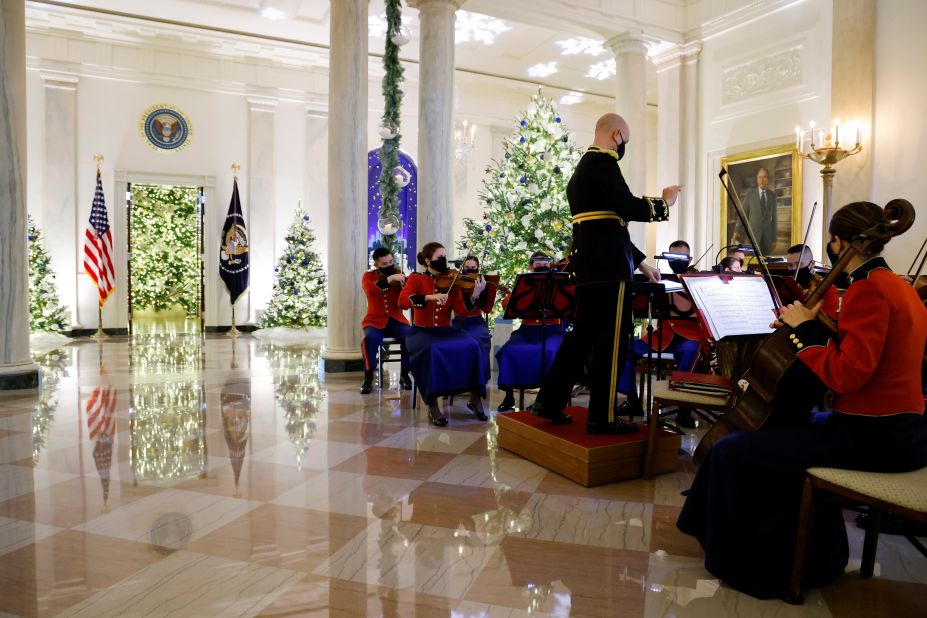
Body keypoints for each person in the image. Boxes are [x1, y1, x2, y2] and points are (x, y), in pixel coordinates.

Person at [677, 200, 927, 600]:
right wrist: (818, 328)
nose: (830, 247)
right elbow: (872, 359)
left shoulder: (868, 291)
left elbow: (848, 373)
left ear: (841, 242)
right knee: (785, 435)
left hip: (872, 436)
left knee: (734, 450)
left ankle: (756, 565)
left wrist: (803, 333)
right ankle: (812, 553)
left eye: (831, 240)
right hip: (902, 431)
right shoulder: (899, 286)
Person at [531, 112, 681, 434]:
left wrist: (640, 262)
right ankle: (603, 417)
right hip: (608, 271)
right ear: (616, 135)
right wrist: (664, 203)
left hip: (592, 266)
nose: (624, 145)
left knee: (581, 336)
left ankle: (549, 400)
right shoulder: (603, 164)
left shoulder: (584, 169)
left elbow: (608, 225)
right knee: (611, 342)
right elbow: (627, 207)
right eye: (625, 139)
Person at [399, 242, 488, 427]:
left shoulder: (452, 281)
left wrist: (475, 296)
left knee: (472, 344)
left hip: (446, 331)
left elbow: (462, 312)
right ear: (427, 260)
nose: (444, 261)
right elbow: (402, 302)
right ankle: (432, 403)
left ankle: (475, 397)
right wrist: (428, 297)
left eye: (445, 257)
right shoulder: (416, 278)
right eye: (440, 258)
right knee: (432, 350)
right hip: (421, 332)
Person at [496, 252, 566, 412]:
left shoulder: (558, 282)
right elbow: (508, 306)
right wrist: (514, 294)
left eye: (545, 265)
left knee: (550, 351)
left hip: (552, 330)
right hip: (526, 331)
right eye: (538, 265)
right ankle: (508, 397)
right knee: (507, 351)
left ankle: (544, 399)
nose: (542, 267)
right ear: (530, 267)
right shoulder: (523, 282)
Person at [360, 247, 412, 394]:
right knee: (370, 339)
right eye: (384, 264)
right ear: (376, 264)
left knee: (410, 336)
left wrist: (405, 287)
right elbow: (371, 291)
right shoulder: (368, 276)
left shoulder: (399, 274)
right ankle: (368, 377)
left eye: (391, 262)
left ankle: (404, 374)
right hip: (374, 320)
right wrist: (389, 279)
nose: (389, 265)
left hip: (396, 319)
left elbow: (405, 301)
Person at [453, 255, 494, 386]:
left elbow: (487, 309)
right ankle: (462, 380)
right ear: (462, 268)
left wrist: (485, 291)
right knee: (468, 341)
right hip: (460, 322)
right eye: (467, 268)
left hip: (477, 321)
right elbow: (460, 311)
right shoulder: (457, 284)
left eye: (473, 268)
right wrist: (474, 295)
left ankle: (481, 379)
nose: (470, 271)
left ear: (478, 269)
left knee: (482, 339)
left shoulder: (481, 282)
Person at [786, 243, 840, 320]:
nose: (794, 269)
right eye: (790, 265)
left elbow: (825, 325)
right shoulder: (787, 287)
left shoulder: (827, 289)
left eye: (799, 264)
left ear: (812, 264)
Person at [733, 167, 777, 255]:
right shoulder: (750, 195)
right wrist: (736, 230)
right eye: (759, 177)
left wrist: (773, 238)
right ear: (757, 179)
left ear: (768, 179)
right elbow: (742, 214)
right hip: (753, 236)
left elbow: (774, 219)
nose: (762, 180)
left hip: (767, 238)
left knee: (765, 262)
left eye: (764, 177)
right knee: (752, 261)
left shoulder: (772, 195)